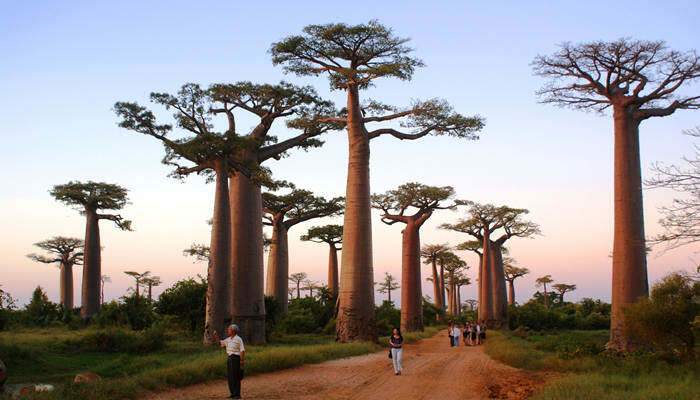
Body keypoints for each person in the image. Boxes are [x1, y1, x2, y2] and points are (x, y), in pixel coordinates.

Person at [213, 324, 245, 399]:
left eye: (229, 329)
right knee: (230, 376)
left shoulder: (238, 339)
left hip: (236, 358)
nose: (228, 331)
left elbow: (242, 350)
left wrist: (242, 360)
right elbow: (219, 343)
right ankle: (232, 393)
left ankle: (237, 394)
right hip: (230, 358)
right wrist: (216, 336)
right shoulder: (228, 339)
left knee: (235, 376)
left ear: (233, 331)